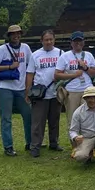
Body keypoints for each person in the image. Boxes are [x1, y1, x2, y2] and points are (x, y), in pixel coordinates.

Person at [0, 24, 35, 157]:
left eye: (18, 33)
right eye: (13, 34)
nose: (16, 36)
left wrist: (28, 87)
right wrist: (9, 66)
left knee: (28, 115)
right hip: (5, 88)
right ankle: (8, 146)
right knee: (6, 118)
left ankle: (30, 142)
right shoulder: (2, 49)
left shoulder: (25, 48)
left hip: (21, 88)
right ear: (9, 36)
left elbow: (30, 66)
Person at [25, 29, 63, 158]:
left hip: (55, 92)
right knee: (38, 122)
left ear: (54, 40)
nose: (48, 42)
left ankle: (54, 142)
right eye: (46, 40)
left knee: (54, 120)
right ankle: (35, 146)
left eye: (51, 39)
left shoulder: (60, 53)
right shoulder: (35, 55)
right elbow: (30, 74)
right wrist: (27, 91)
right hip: (40, 93)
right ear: (41, 41)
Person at [55, 31, 95, 139]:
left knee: (88, 119)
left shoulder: (88, 55)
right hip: (71, 92)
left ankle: (88, 146)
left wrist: (86, 68)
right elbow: (57, 75)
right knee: (73, 119)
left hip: (87, 91)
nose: (77, 43)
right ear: (71, 43)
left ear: (83, 42)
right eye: (75, 41)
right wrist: (73, 75)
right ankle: (75, 146)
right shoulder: (65, 56)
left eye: (80, 41)